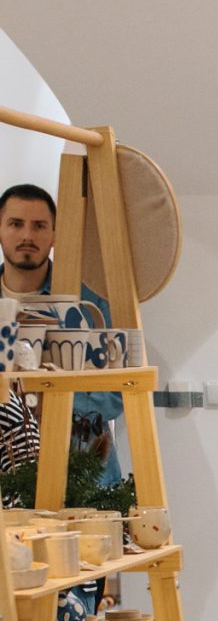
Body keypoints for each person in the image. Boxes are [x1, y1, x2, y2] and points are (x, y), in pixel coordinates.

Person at [0, 180, 123, 485]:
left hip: (85, 473)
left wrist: (58, 399)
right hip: (7, 475)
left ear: (55, 235)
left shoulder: (88, 302)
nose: (27, 236)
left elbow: (117, 390)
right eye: (16, 224)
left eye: (39, 225)